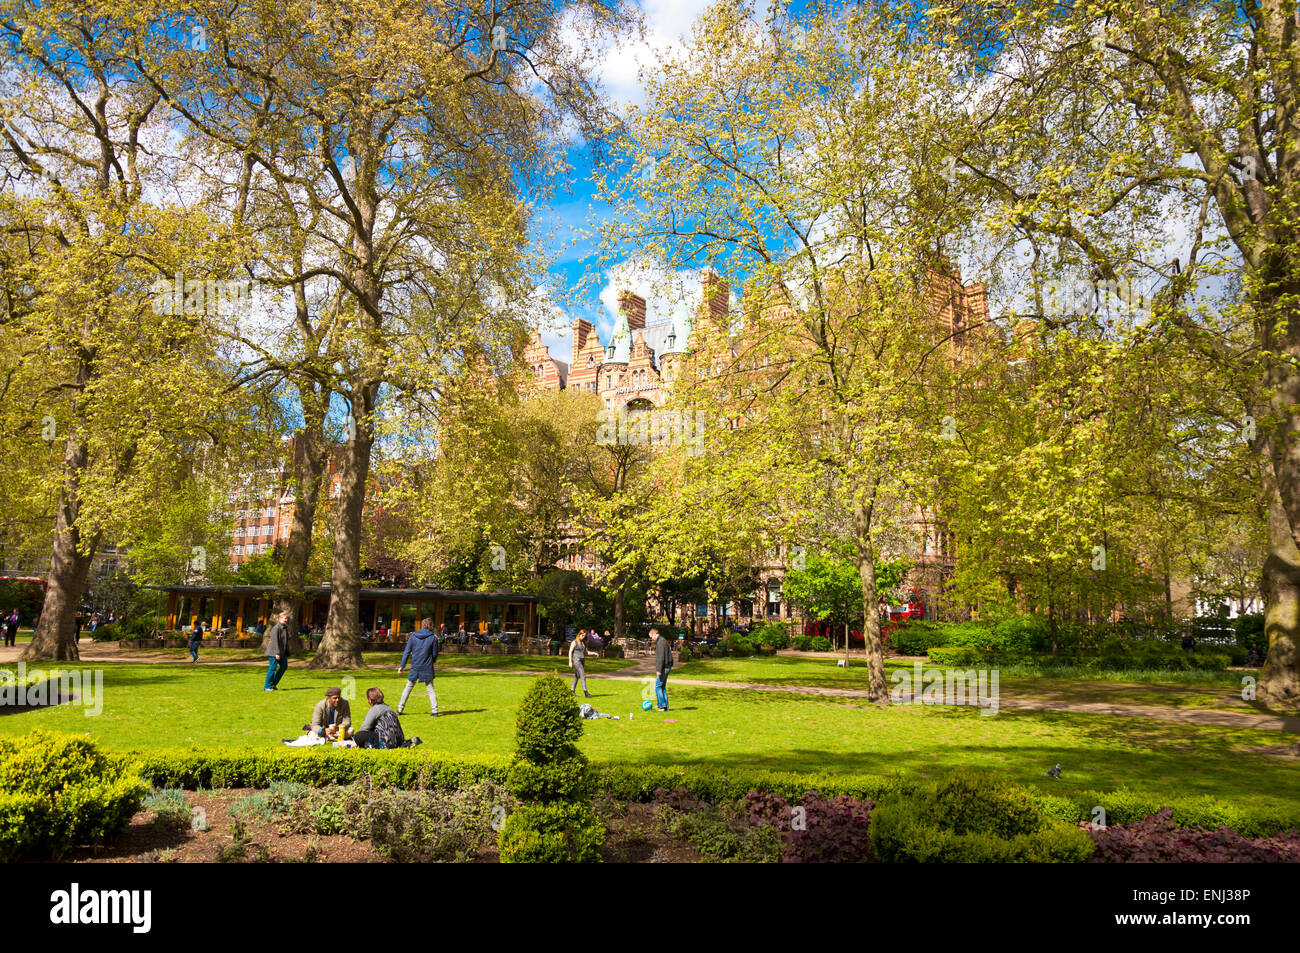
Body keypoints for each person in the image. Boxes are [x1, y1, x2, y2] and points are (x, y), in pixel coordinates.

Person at [396, 617, 439, 716]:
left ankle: (399, 709)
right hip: (427, 666)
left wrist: (402, 666)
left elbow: (406, 652)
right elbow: (435, 654)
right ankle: (435, 711)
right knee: (430, 688)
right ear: (429, 626)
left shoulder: (413, 636)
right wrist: (432, 661)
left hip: (415, 666)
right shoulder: (433, 638)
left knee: (408, 687)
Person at [263, 611, 291, 692]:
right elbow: (275, 641)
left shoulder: (284, 627)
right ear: (279, 619)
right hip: (274, 652)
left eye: (286, 618)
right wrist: (277, 653)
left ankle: (273, 684)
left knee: (284, 667)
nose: (285, 619)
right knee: (272, 668)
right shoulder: (276, 628)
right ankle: (267, 687)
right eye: (284, 618)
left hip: (282, 652)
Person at [651, 627, 672, 711]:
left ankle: (661, 705)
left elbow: (661, 658)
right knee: (662, 687)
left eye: (651, 637)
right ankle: (665, 706)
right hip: (667, 666)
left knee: (657, 686)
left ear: (654, 634)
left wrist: (659, 670)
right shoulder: (662, 640)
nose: (651, 639)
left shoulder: (660, 642)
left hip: (664, 667)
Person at [569, 629, 593, 698]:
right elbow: (570, 652)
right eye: (582, 635)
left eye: (584, 636)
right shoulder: (574, 642)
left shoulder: (583, 643)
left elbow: (587, 652)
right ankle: (586, 692)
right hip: (577, 660)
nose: (583, 637)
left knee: (577, 676)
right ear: (579, 634)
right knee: (583, 675)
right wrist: (570, 661)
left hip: (582, 660)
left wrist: (594, 653)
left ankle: (572, 691)